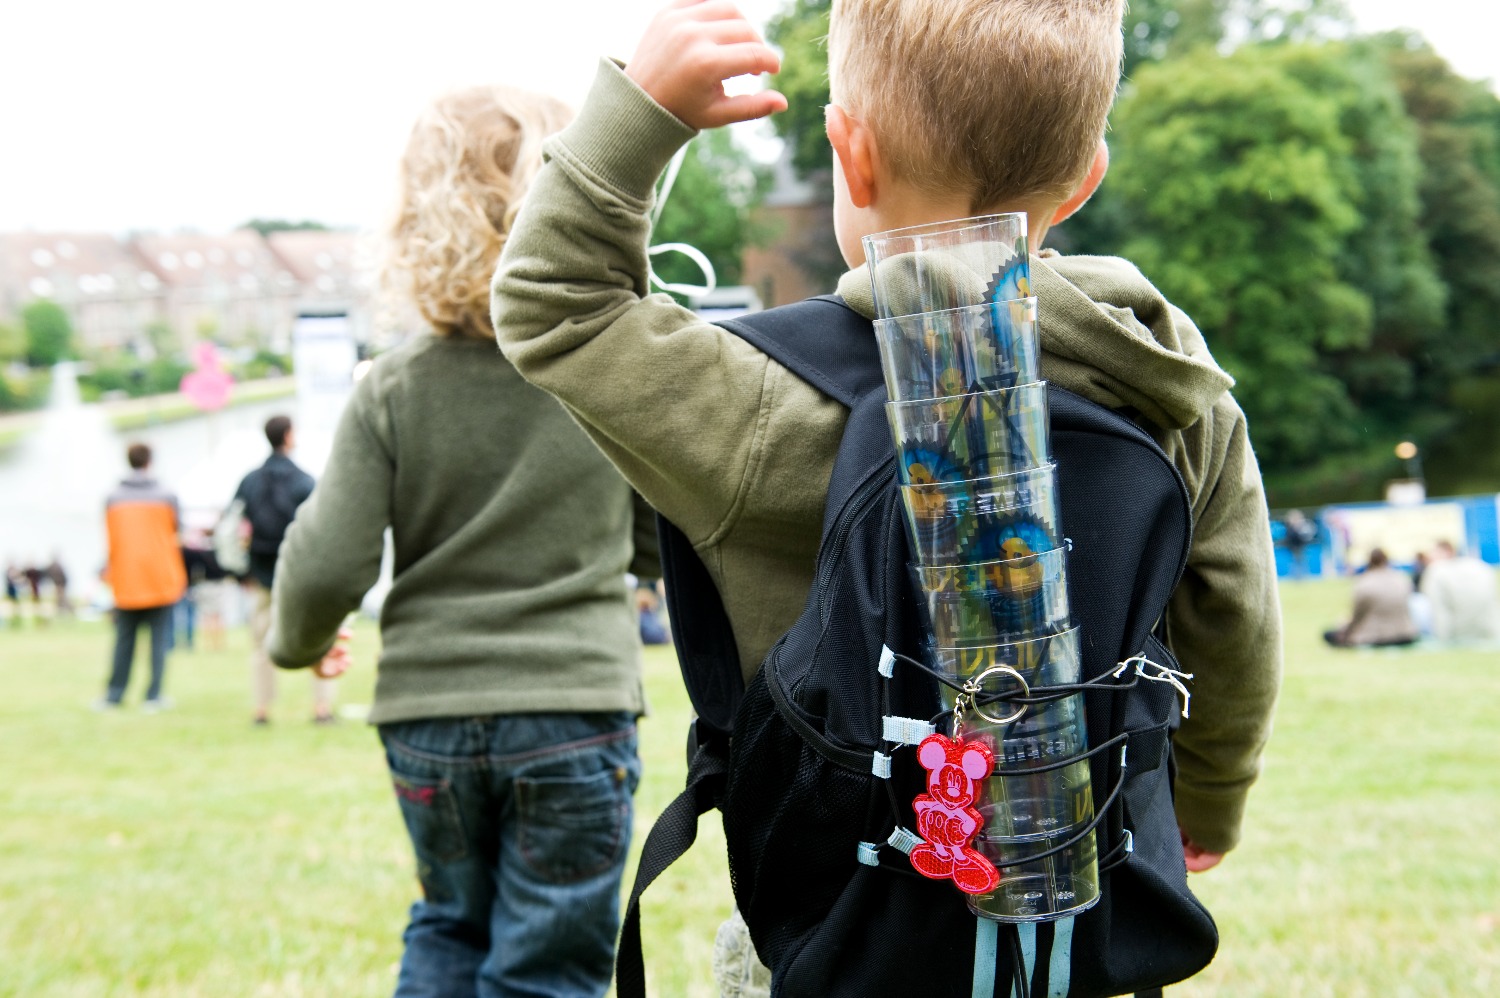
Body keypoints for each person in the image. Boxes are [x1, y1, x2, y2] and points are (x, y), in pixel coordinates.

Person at [491, 0, 1281, 986]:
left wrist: (644, 112)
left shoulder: (765, 400)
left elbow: (553, 300)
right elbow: (1234, 616)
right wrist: (1210, 798)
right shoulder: (1167, 379)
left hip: (838, 933)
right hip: (1070, 918)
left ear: (849, 154)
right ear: (1085, 179)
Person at [267, 85, 659, 998]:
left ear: (416, 219)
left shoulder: (390, 389)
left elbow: (328, 564)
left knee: (447, 928)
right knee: (548, 968)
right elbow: (653, 537)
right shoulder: (604, 371)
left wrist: (296, 642)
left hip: (427, 717)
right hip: (573, 709)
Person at [232, 415, 331, 724]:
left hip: (261, 572)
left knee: (260, 644)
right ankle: (321, 709)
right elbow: (320, 527)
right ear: (288, 436)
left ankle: (261, 710)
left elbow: (234, 524)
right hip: (298, 571)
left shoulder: (250, 480)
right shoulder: (304, 480)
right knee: (316, 639)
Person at [98, 443, 187, 710]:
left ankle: (114, 694)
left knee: (124, 641)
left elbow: (110, 540)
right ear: (150, 461)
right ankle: (154, 695)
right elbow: (178, 530)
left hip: (126, 578)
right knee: (159, 642)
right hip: (160, 576)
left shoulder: (112, 498)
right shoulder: (166, 495)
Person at [1323, 548, 1419, 648]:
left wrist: (1344, 628)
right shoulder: (1402, 579)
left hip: (1374, 637)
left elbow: (1357, 615)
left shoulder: (1364, 583)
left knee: (1330, 633)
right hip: (1405, 634)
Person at [1420, 539, 1500, 642]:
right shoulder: (1480, 566)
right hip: (1489, 631)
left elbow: (1439, 612)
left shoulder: (1436, 571)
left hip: (1458, 635)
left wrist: (1443, 639)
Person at [1280, 508, 1318, 579]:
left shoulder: (1301, 526)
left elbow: (1304, 537)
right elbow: (1289, 537)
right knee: (1296, 562)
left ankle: (1301, 576)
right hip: (1293, 547)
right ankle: (1297, 576)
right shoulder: (1289, 527)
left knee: (1300, 561)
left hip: (1300, 546)